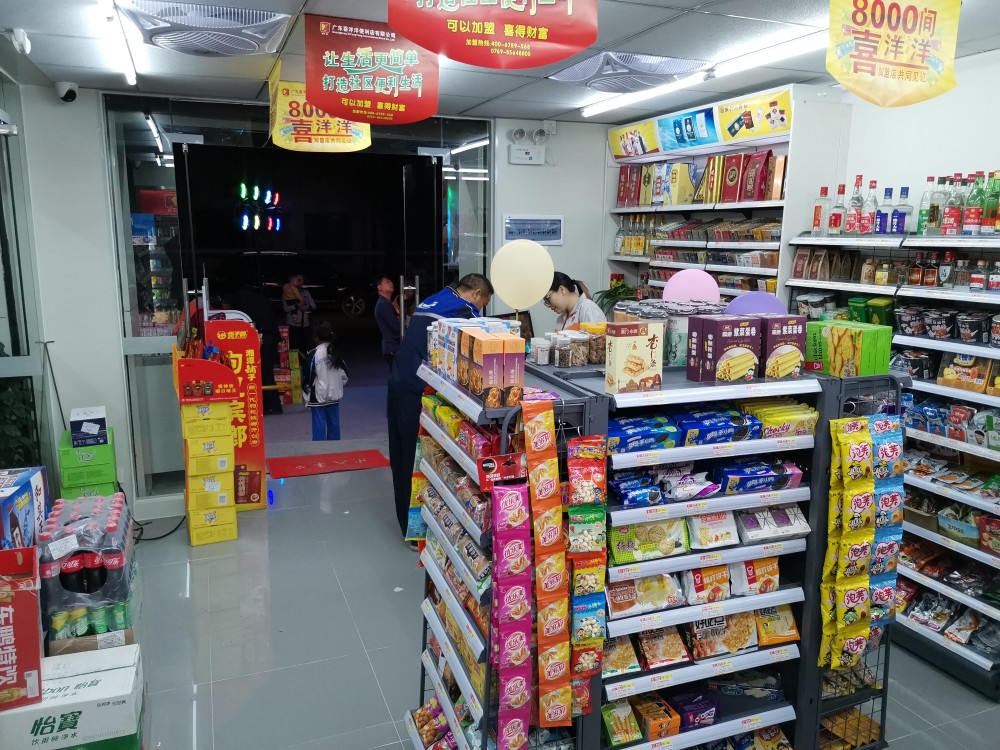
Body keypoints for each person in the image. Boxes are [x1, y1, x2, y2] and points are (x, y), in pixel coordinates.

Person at [387, 273, 493, 546]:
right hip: (417, 388)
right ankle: (416, 531)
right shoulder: (463, 310)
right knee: (417, 458)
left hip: (398, 381)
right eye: (483, 304)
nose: (480, 309)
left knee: (400, 456)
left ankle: (405, 524)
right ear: (477, 294)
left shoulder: (434, 299)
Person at [304, 321, 348, 440]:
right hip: (335, 395)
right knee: (334, 424)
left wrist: (307, 390)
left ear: (316, 338)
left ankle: (319, 449)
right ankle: (335, 448)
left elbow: (308, 376)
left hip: (318, 396)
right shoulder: (336, 353)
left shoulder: (314, 354)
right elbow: (344, 375)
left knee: (319, 425)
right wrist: (337, 385)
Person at [282, 273, 315, 359]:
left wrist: (307, 307)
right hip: (293, 325)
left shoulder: (306, 292)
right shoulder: (287, 293)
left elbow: (314, 306)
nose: (301, 282)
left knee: (304, 348)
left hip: (305, 325)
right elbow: (285, 308)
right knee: (294, 349)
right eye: (299, 280)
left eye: (302, 280)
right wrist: (297, 306)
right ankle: (294, 366)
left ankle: (304, 364)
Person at [374, 276, 401, 368]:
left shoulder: (387, 303)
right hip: (393, 348)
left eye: (391, 281)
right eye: (387, 282)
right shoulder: (383, 305)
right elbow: (396, 327)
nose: (391, 283)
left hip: (394, 347)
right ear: (379, 287)